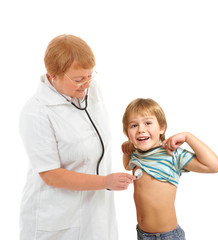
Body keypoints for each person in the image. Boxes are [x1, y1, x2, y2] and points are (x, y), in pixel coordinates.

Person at [19, 34, 135, 240]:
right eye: (78, 79)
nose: (87, 84)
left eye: (90, 75)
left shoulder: (92, 90)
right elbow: (51, 175)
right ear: (52, 75)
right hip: (57, 217)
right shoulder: (36, 112)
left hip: (97, 214)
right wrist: (105, 181)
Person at [121, 98, 218, 240]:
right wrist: (126, 150)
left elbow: (214, 166)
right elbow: (127, 166)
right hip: (142, 234)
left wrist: (188, 137)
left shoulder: (172, 154)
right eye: (133, 126)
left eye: (148, 123)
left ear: (162, 127)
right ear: (127, 132)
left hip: (167, 236)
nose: (140, 130)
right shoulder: (136, 154)